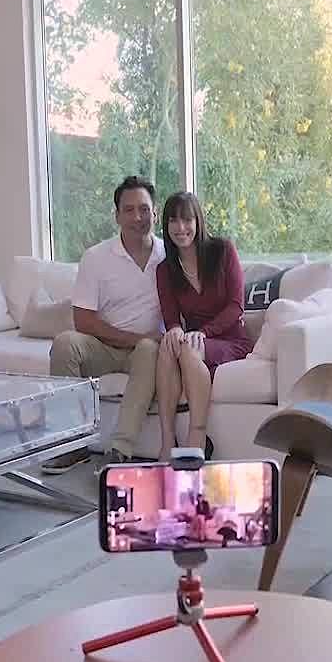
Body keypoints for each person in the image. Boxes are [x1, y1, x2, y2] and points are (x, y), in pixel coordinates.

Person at [45, 176, 165, 474]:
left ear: (155, 213)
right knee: (65, 343)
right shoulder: (96, 257)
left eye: (144, 209)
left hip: (146, 352)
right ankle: (71, 446)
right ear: (117, 216)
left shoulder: (168, 255)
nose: (137, 217)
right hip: (103, 347)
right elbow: (83, 320)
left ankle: (120, 451)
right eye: (129, 210)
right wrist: (132, 338)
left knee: (149, 348)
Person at [153, 191, 252, 460]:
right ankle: (167, 442)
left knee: (187, 348)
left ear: (198, 221)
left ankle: (196, 438)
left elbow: (236, 306)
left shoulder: (223, 251)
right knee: (168, 345)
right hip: (194, 341)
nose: (180, 227)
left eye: (187, 219)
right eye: (173, 220)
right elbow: (171, 317)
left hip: (230, 338)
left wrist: (204, 332)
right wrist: (174, 329)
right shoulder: (165, 269)